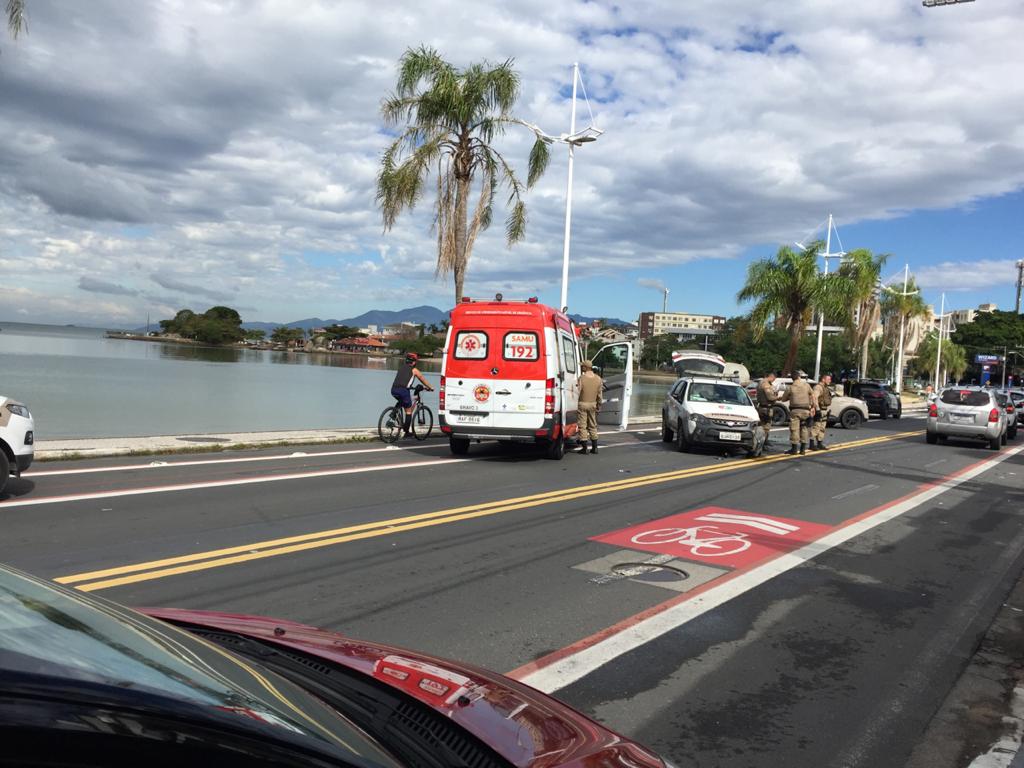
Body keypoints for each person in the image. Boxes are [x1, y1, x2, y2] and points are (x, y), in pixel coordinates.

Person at [391, 353, 434, 437]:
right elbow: (422, 379)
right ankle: (406, 432)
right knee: (408, 411)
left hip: (393, 390)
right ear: (414, 362)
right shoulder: (414, 370)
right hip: (403, 391)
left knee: (402, 401)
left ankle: (393, 413)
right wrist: (430, 387)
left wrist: (409, 387)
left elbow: (402, 380)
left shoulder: (401, 368)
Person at [780, 369, 815, 455]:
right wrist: (813, 407)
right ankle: (803, 449)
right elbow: (813, 395)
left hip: (795, 411)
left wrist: (791, 397)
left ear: (792, 379)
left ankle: (794, 449)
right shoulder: (806, 385)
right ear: (799, 377)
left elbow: (784, 399)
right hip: (806, 410)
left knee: (794, 429)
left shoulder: (790, 387)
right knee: (804, 428)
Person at [576, 360, 604, 454]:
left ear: (585, 367)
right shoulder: (598, 379)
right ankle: (595, 448)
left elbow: (578, 392)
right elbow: (600, 395)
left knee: (582, 426)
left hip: (582, 404)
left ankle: (584, 448)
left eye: (582, 366)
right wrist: (599, 405)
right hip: (593, 404)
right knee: (592, 425)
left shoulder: (582, 378)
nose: (581, 367)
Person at [755, 371, 779, 454]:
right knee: (766, 427)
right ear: (772, 377)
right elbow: (770, 397)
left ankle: (761, 443)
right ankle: (762, 444)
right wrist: (776, 397)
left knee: (761, 426)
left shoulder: (760, 382)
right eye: (774, 379)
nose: (773, 381)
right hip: (766, 408)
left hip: (762, 407)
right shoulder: (765, 384)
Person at [811, 373, 833, 451]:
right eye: (828, 379)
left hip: (824, 409)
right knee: (816, 426)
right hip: (819, 409)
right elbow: (814, 397)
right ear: (823, 379)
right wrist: (817, 409)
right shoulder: (818, 387)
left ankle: (819, 443)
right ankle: (812, 443)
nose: (830, 381)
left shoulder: (825, 388)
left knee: (822, 427)